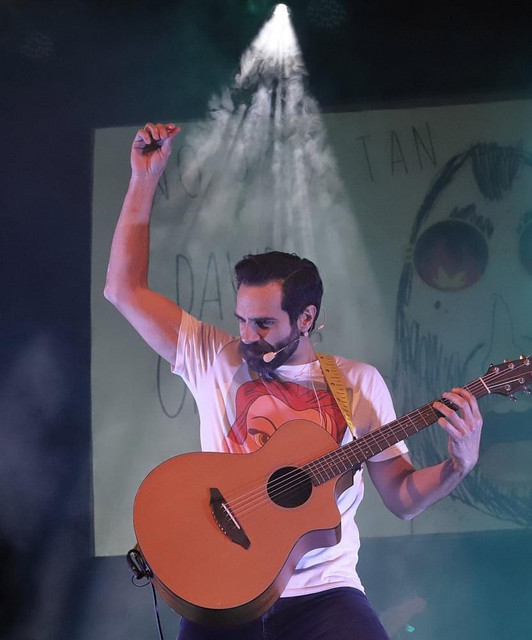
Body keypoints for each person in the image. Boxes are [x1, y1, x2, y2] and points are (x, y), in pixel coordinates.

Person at [104, 123, 484, 640]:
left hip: (325, 593)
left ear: (306, 318)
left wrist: (459, 466)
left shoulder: (357, 383)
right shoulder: (214, 356)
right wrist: (143, 178)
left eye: (264, 324)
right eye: (242, 319)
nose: (247, 335)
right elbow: (123, 289)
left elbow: (400, 497)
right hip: (225, 587)